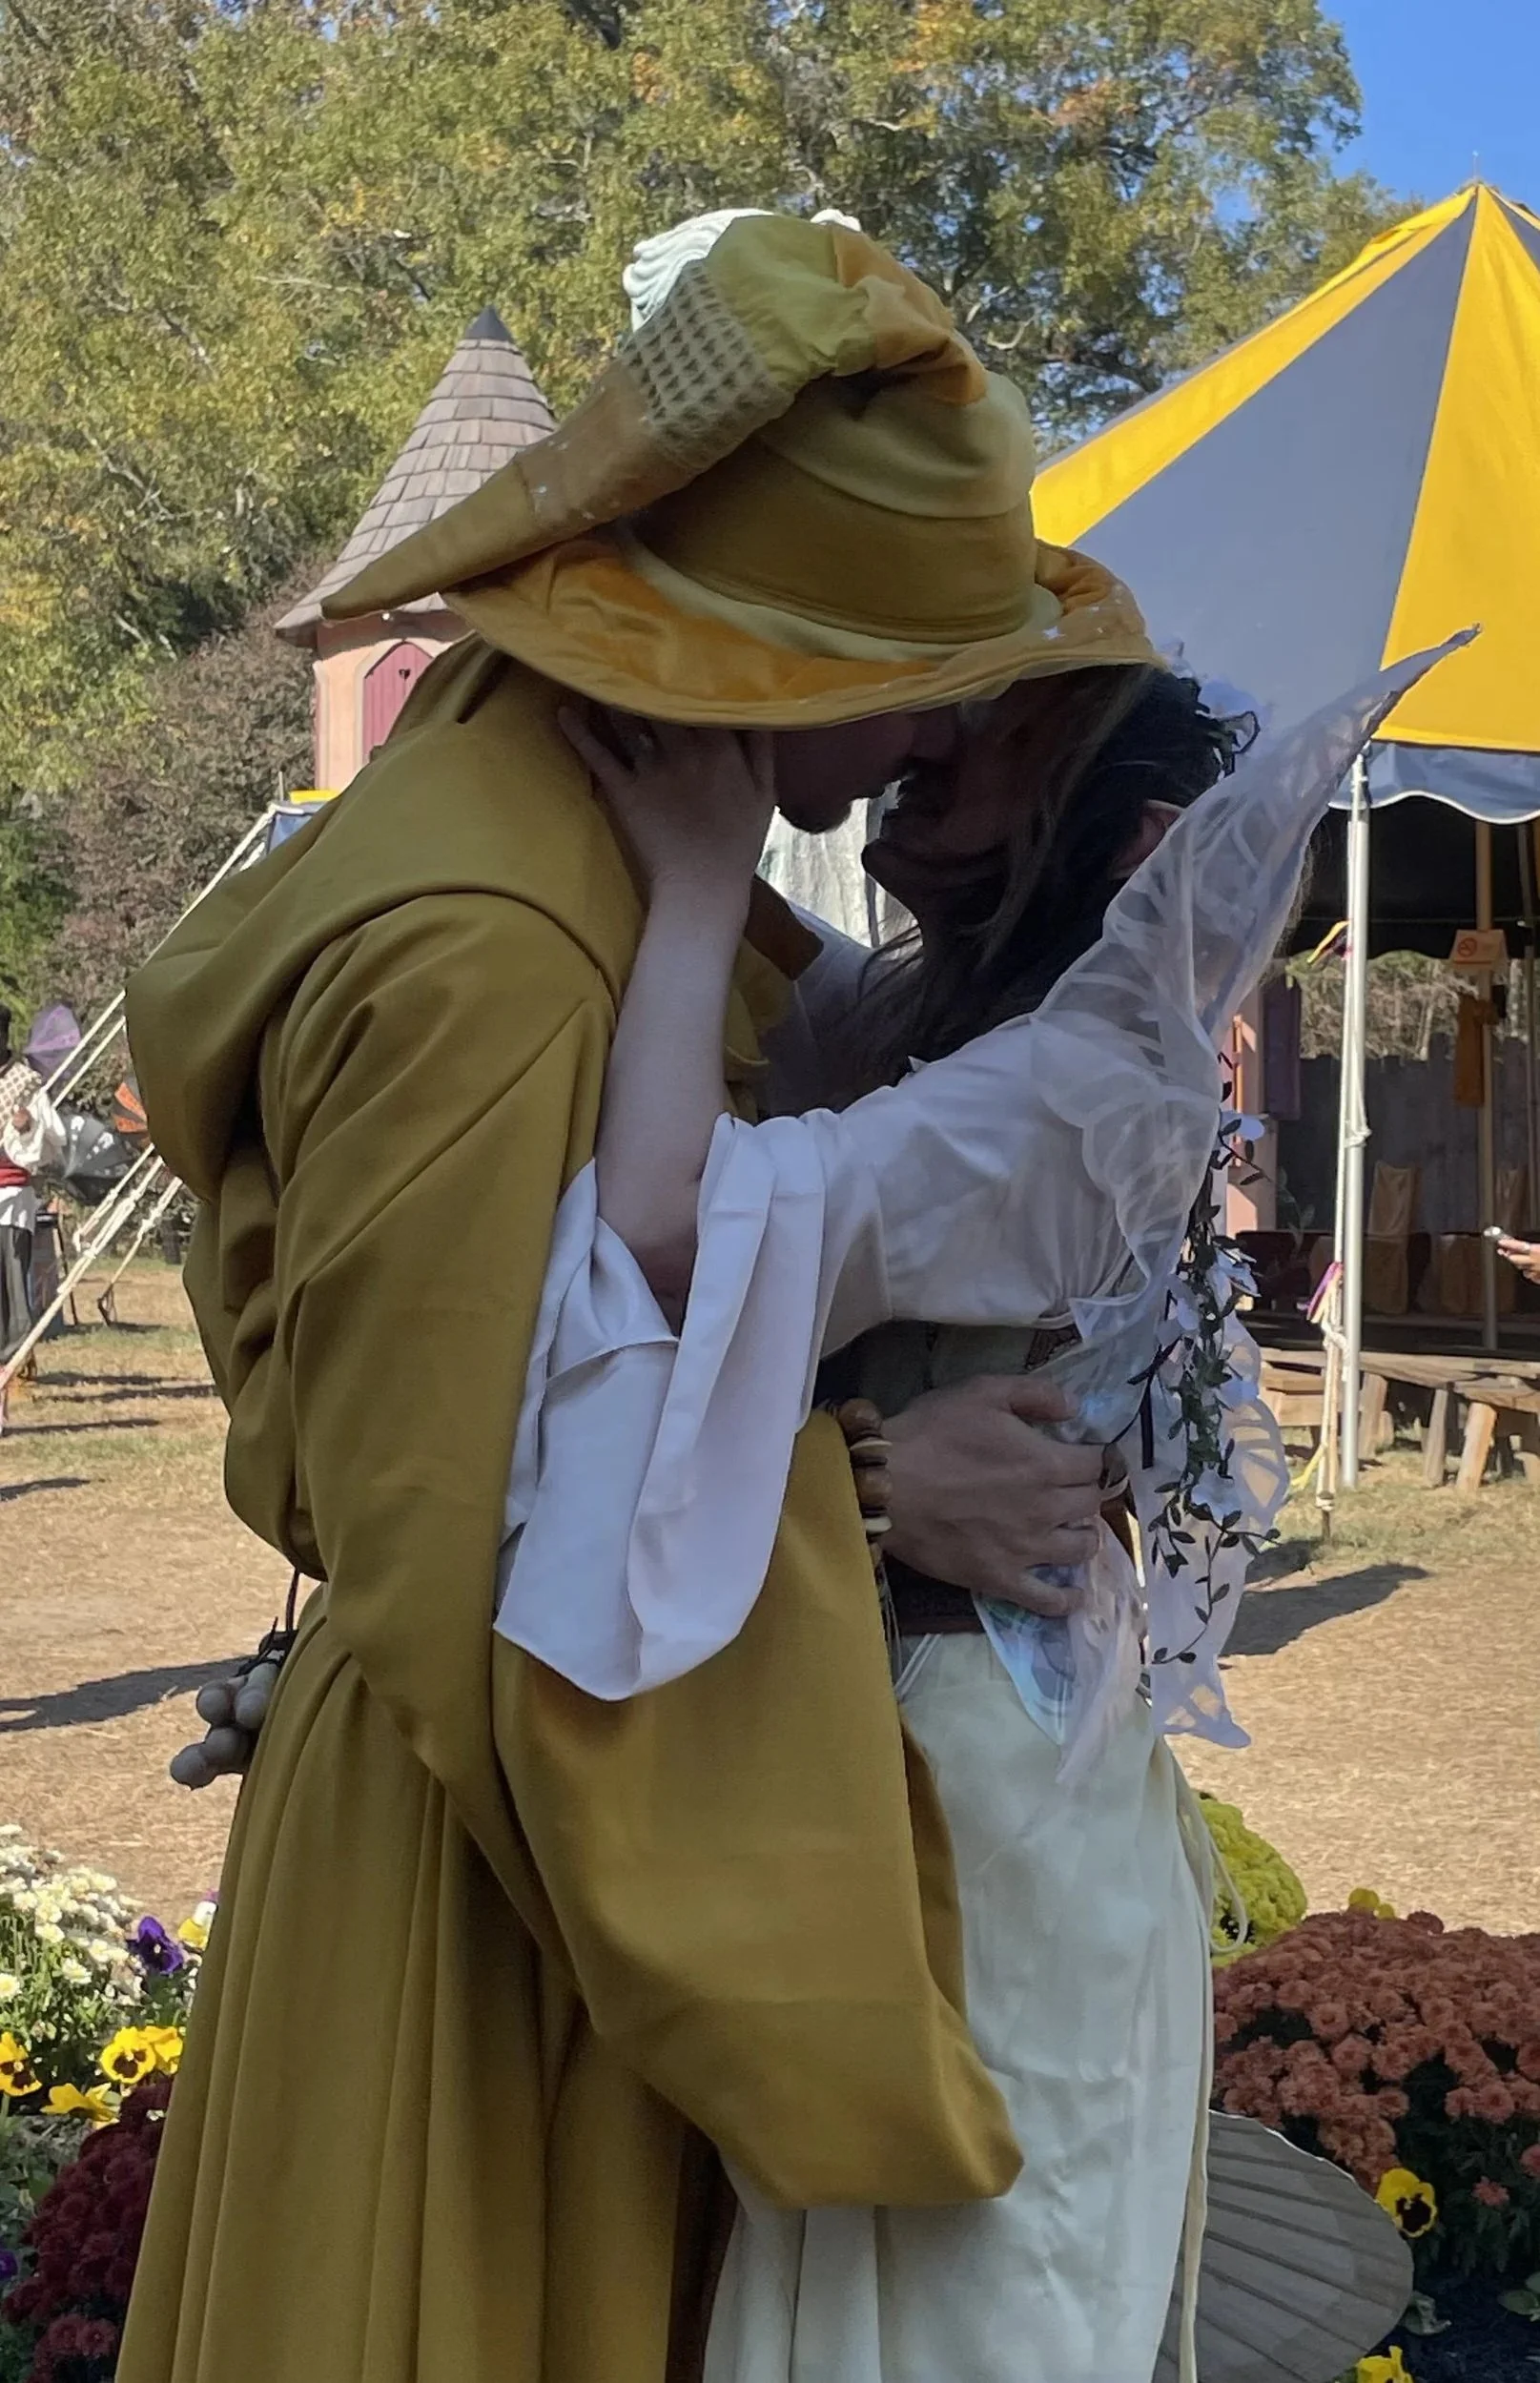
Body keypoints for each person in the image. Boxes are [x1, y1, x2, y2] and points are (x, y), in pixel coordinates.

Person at [119, 211, 1161, 2383]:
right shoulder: (492, 939)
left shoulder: (578, 855)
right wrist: (871, 1494)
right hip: (487, 1883)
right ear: (766, 654)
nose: (933, 741)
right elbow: (463, 1540)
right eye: (922, 681)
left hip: (560, 1840)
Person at [504, 636, 1450, 2383]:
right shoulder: (970, 1027)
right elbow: (813, 1005)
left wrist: (700, 881)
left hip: (982, 1803)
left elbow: (664, 1230)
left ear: (1137, 841)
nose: (928, 740)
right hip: (935, 1747)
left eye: (1004, 733)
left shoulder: (1074, 1083)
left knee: (956, 2310)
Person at [0, 1006, 65, 1421]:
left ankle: (14, 1372)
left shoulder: (25, 1084)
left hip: (8, 1198)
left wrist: (26, 1128)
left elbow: (47, 1148)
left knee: (10, 1292)